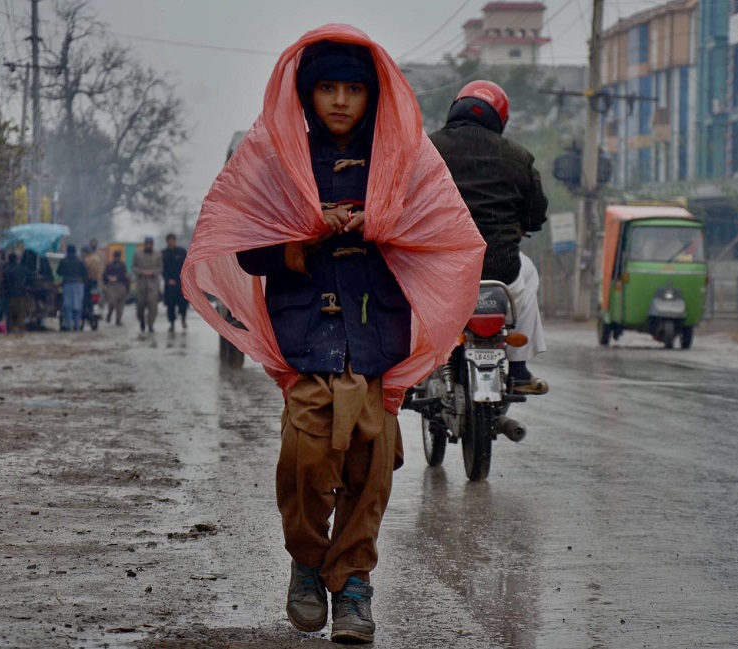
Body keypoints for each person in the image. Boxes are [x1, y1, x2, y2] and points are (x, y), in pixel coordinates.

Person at [178, 25, 485, 644]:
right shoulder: (274, 160)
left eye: (353, 89)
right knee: (306, 457)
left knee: (372, 462)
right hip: (307, 335)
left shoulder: (405, 160)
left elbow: (444, 235)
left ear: (374, 97)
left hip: (375, 334)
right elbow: (249, 253)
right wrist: (304, 234)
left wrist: (384, 223)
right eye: (327, 88)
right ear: (307, 93)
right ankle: (306, 562)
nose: (341, 100)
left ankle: (352, 586)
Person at [429, 80, 550, 395]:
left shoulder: (428, 149)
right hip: (500, 266)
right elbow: (536, 212)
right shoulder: (518, 156)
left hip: (441, 267)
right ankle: (520, 370)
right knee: (529, 274)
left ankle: (413, 366)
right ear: (501, 118)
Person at [132, 236, 162, 333]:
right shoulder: (138, 254)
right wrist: (141, 272)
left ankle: (150, 324)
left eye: (150, 243)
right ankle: (142, 321)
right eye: (147, 243)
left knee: (152, 306)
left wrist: (152, 272)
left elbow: (160, 268)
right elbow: (133, 267)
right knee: (140, 305)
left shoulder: (157, 255)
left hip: (153, 284)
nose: (148, 245)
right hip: (141, 283)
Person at [56, 244, 87, 331]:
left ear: (67, 251)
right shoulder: (80, 261)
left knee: (67, 306)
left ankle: (68, 325)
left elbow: (58, 272)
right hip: (79, 285)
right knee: (78, 306)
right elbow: (85, 272)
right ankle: (77, 325)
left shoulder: (64, 261)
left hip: (68, 284)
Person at [161, 233, 188, 332]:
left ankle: (183, 319)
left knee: (183, 304)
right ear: (167, 242)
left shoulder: (181, 252)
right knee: (170, 306)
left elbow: (186, 266)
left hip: (181, 283)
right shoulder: (163, 254)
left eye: (173, 240)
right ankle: (172, 324)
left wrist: (181, 279)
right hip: (169, 285)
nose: (171, 242)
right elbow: (162, 269)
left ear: (175, 241)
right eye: (169, 241)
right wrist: (168, 279)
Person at [0, 252, 28, 335]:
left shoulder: (6, 269)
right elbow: (27, 278)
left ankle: (9, 330)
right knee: (20, 313)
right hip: (20, 294)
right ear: (16, 259)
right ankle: (20, 330)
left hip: (9, 295)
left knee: (10, 314)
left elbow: (4, 283)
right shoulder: (21, 268)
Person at [102, 250, 129, 325]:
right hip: (111, 287)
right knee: (112, 302)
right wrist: (109, 279)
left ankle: (118, 320)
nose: (116, 259)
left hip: (120, 286)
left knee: (120, 306)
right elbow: (104, 276)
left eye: (118, 257)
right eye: (115, 257)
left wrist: (126, 288)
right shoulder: (109, 265)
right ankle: (109, 314)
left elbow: (125, 277)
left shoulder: (122, 266)